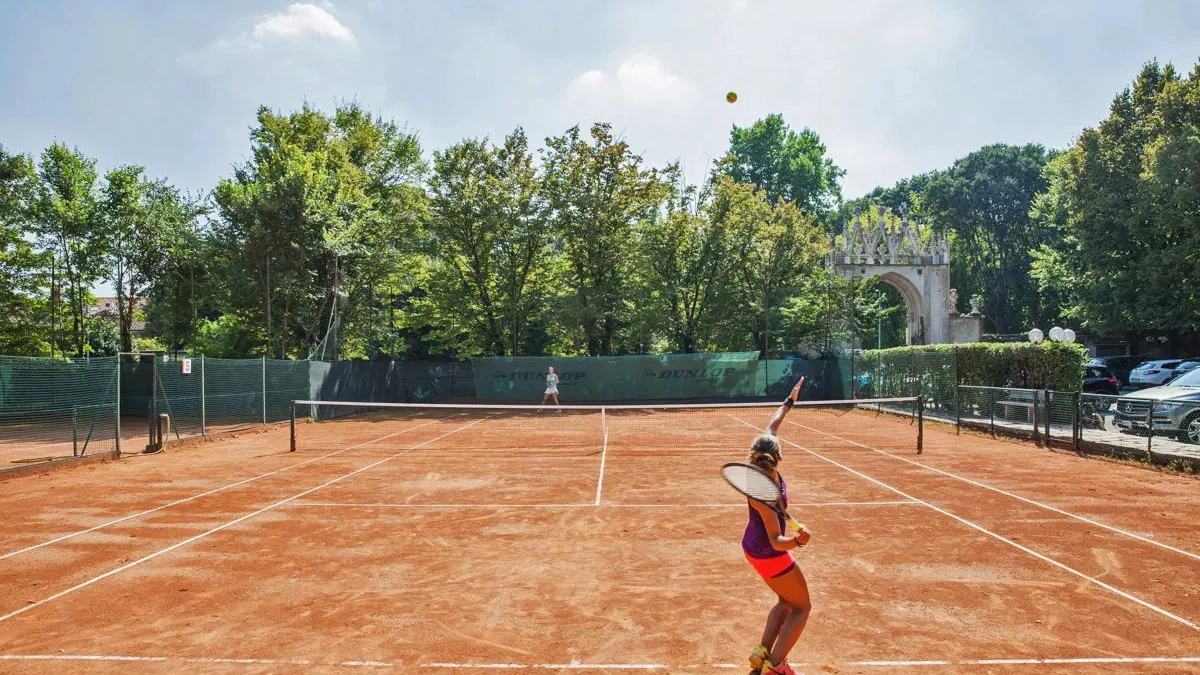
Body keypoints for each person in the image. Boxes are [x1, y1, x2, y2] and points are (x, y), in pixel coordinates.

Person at [742, 379, 812, 675]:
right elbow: (775, 540)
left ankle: (762, 653)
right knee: (802, 607)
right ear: (779, 457)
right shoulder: (765, 493)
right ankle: (776, 665)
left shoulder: (759, 461)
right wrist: (797, 541)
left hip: (752, 548)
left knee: (785, 600)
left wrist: (790, 400)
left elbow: (773, 423)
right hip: (767, 552)